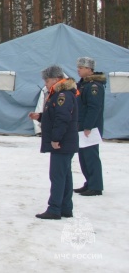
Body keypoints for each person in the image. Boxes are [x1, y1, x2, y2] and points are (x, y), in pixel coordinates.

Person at [28, 65, 79, 220]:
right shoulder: (58, 94)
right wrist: (41, 117)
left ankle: (54, 208)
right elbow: (55, 116)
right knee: (65, 175)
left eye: (47, 80)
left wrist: (56, 139)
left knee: (57, 176)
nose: (45, 83)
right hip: (66, 142)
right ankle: (65, 208)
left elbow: (62, 119)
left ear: (57, 79)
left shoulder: (62, 95)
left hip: (62, 143)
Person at [74, 57, 105, 197]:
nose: (78, 70)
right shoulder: (83, 85)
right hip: (82, 125)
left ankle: (96, 186)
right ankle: (89, 182)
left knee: (91, 156)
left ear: (89, 69)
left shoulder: (94, 86)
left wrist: (88, 126)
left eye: (81, 67)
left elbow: (94, 108)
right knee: (83, 156)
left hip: (90, 127)